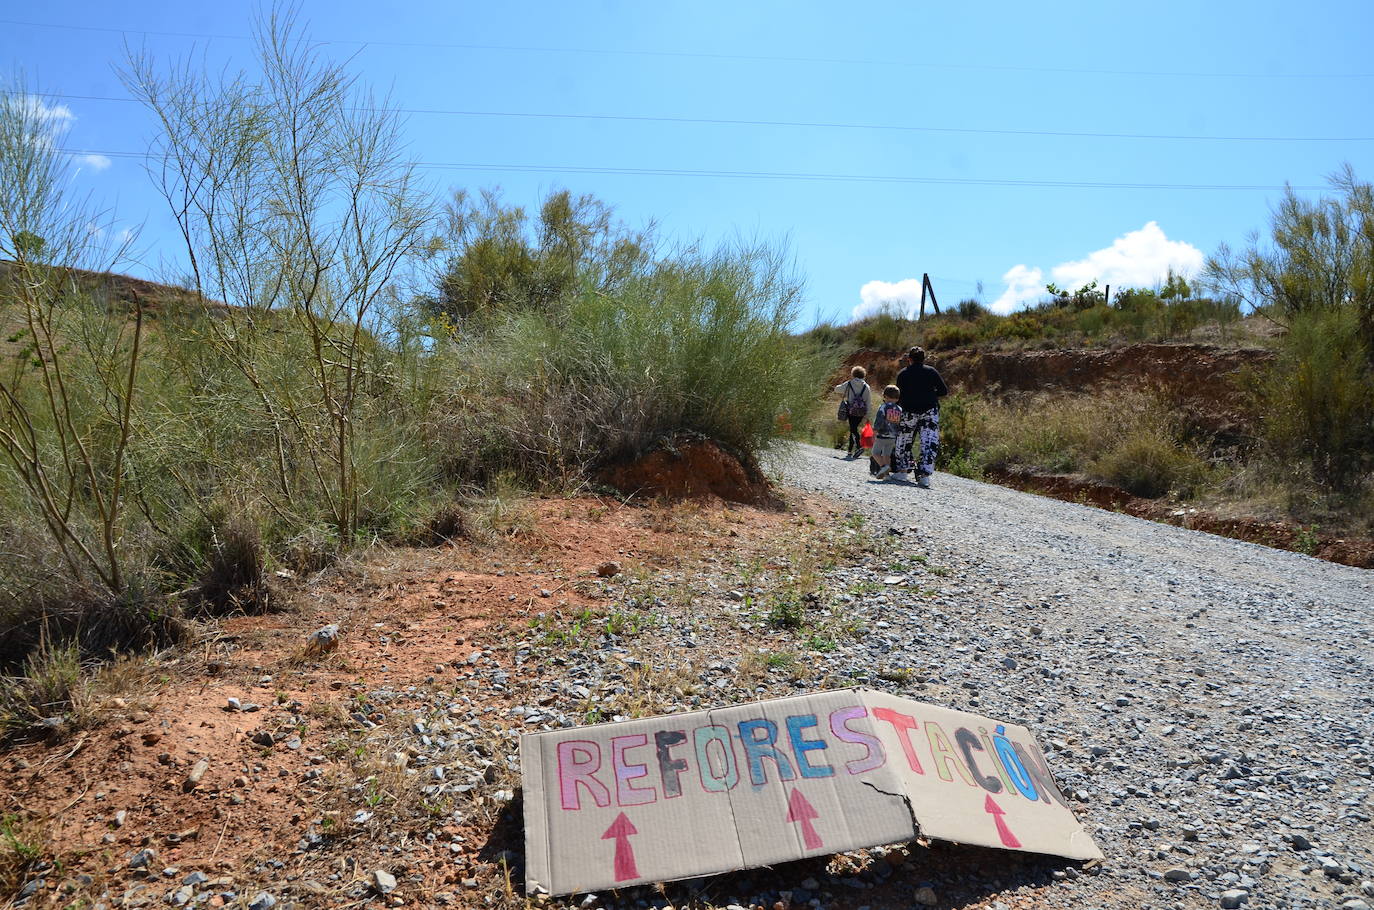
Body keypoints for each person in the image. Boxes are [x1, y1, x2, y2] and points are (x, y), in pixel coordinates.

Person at [892, 346, 948, 487]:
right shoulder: (931, 372)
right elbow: (943, 391)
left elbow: (898, 396)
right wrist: (929, 395)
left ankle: (903, 471)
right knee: (929, 442)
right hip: (929, 410)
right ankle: (924, 476)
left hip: (908, 410)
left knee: (904, 440)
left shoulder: (903, 374)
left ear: (909, 359)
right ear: (924, 359)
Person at [833, 366, 871, 459]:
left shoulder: (850, 383)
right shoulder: (866, 387)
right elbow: (868, 402)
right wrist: (867, 415)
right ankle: (850, 450)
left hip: (851, 410)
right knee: (853, 428)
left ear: (853, 374)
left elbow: (836, 389)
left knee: (853, 428)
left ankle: (859, 446)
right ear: (863, 375)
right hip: (861, 412)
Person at [870, 385, 902, 480]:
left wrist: (874, 431)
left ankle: (884, 467)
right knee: (887, 455)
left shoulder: (883, 407)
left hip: (882, 435)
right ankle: (886, 475)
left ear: (885, 396)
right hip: (893, 436)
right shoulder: (900, 409)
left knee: (875, 453)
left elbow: (879, 420)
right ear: (897, 398)